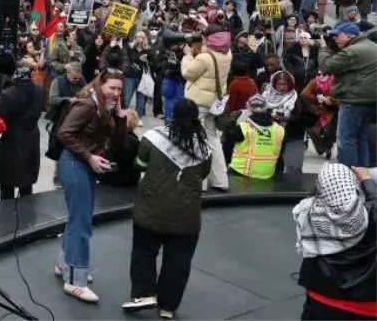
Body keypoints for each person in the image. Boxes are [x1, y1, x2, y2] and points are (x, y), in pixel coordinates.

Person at [123, 99, 212, 317]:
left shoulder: (153, 138)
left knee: (144, 252)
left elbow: (140, 164)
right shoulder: (204, 148)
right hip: (186, 217)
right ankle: (167, 307)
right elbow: (203, 175)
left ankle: (145, 294)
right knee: (178, 262)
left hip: (150, 209)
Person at [55, 70, 123, 303]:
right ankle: (75, 280)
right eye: (112, 88)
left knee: (77, 219)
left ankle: (65, 264)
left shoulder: (106, 107)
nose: (116, 93)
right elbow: (64, 133)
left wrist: (121, 115)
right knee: (81, 223)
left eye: (119, 89)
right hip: (74, 165)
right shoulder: (87, 105)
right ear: (100, 85)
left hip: (81, 165)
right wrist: (89, 157)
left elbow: (119, 143)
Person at [295, 164, 377, 320]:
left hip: (321, 297)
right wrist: (366, 179)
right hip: (364, 306)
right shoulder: (370, 216)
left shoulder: (309, 214)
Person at [180, 29, 232, 191]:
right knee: (213, 139)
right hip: (213, 102)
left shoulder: (204, 57)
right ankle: (220, 180)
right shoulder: (228, 54)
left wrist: (188, 55)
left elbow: (187, 74)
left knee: (196, 140)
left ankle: (198, 181)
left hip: (198, 103)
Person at [320, 21, 377, 167]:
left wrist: (324, 48)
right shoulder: (372, 46)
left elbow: (326, 67)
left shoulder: (352, 51)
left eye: (337, 35)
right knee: (361, 138)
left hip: (354, 100)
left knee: (345, 139)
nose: (335, 39)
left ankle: (348, 175)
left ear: (348, 35)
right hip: (370, 100)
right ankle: (363, 176)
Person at [0, 67, 45, 201]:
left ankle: (6, 215)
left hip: (11, 139)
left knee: (7, 183)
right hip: (31, 136)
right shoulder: (39, 92)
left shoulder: (9, 94)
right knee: (27, 182)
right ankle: (27, 214)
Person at [225, 96, 286, 180]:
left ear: (249, 108)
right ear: (266, 107)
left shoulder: (243, 128)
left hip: (240, 173)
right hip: (268, 175)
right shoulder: (279, 129)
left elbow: (226, 149)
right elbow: (281, 152)